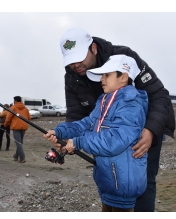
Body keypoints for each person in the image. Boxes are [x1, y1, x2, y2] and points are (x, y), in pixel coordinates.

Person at [59, 28, 176, 212]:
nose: (76, 65)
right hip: (106, 137)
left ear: (94, 48)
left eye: (80, 57)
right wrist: (65, 137)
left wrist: (151, 131)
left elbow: (159, 95)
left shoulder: (125, 57)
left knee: (141, 180)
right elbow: (76, 114)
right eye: (71, 61)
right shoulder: (72, 76)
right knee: (111, 178)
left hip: (141, 132)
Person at [44, 55, 148, 211]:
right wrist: (60, 131)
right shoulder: (105, 101)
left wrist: (79, 142)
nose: (101, 79)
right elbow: (86, 124)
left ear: (124, 77)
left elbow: (115, 141)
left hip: (122, 185)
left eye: (107, 75)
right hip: (109, 182)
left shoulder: (131, 104)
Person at [4, 96, 31, 163]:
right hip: (24, 127)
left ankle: (22, 157)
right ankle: (16, 156)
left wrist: (5, 124)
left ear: (15, 100)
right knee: (20, 142)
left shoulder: (13, 107)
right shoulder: (25, 108)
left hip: (16, 127)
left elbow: (8, 118)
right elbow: (29, 118)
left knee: (18, 143)